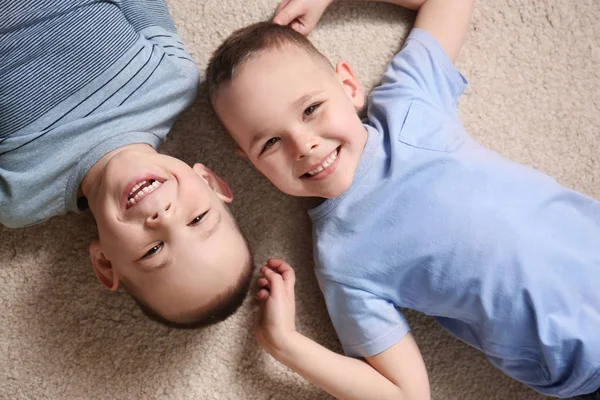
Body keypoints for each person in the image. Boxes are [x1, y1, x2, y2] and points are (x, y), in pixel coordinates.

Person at [205, 0, 600, 398]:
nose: (303, 144)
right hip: (585, 365)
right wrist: (285, 344)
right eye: (270, 142)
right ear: (253, 163)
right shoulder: (342, 261)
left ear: (348, 85)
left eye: (311, 109)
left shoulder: (406, 104)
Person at [0, 0, 253, 328]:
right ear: (210, 181)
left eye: (153, 251)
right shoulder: (173, 82)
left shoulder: (20, 197)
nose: (163, 218)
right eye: (197, 218)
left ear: (105, 262)